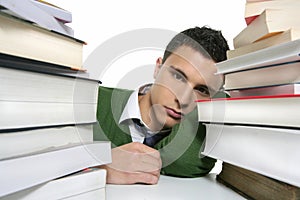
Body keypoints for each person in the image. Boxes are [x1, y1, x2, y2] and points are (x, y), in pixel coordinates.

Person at [94, 26, 229, 185]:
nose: (183, 99)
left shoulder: (202, 140)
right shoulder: (93, 101)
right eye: (178, 77)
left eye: (202, 90)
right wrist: (97, 167)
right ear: (158, 67)